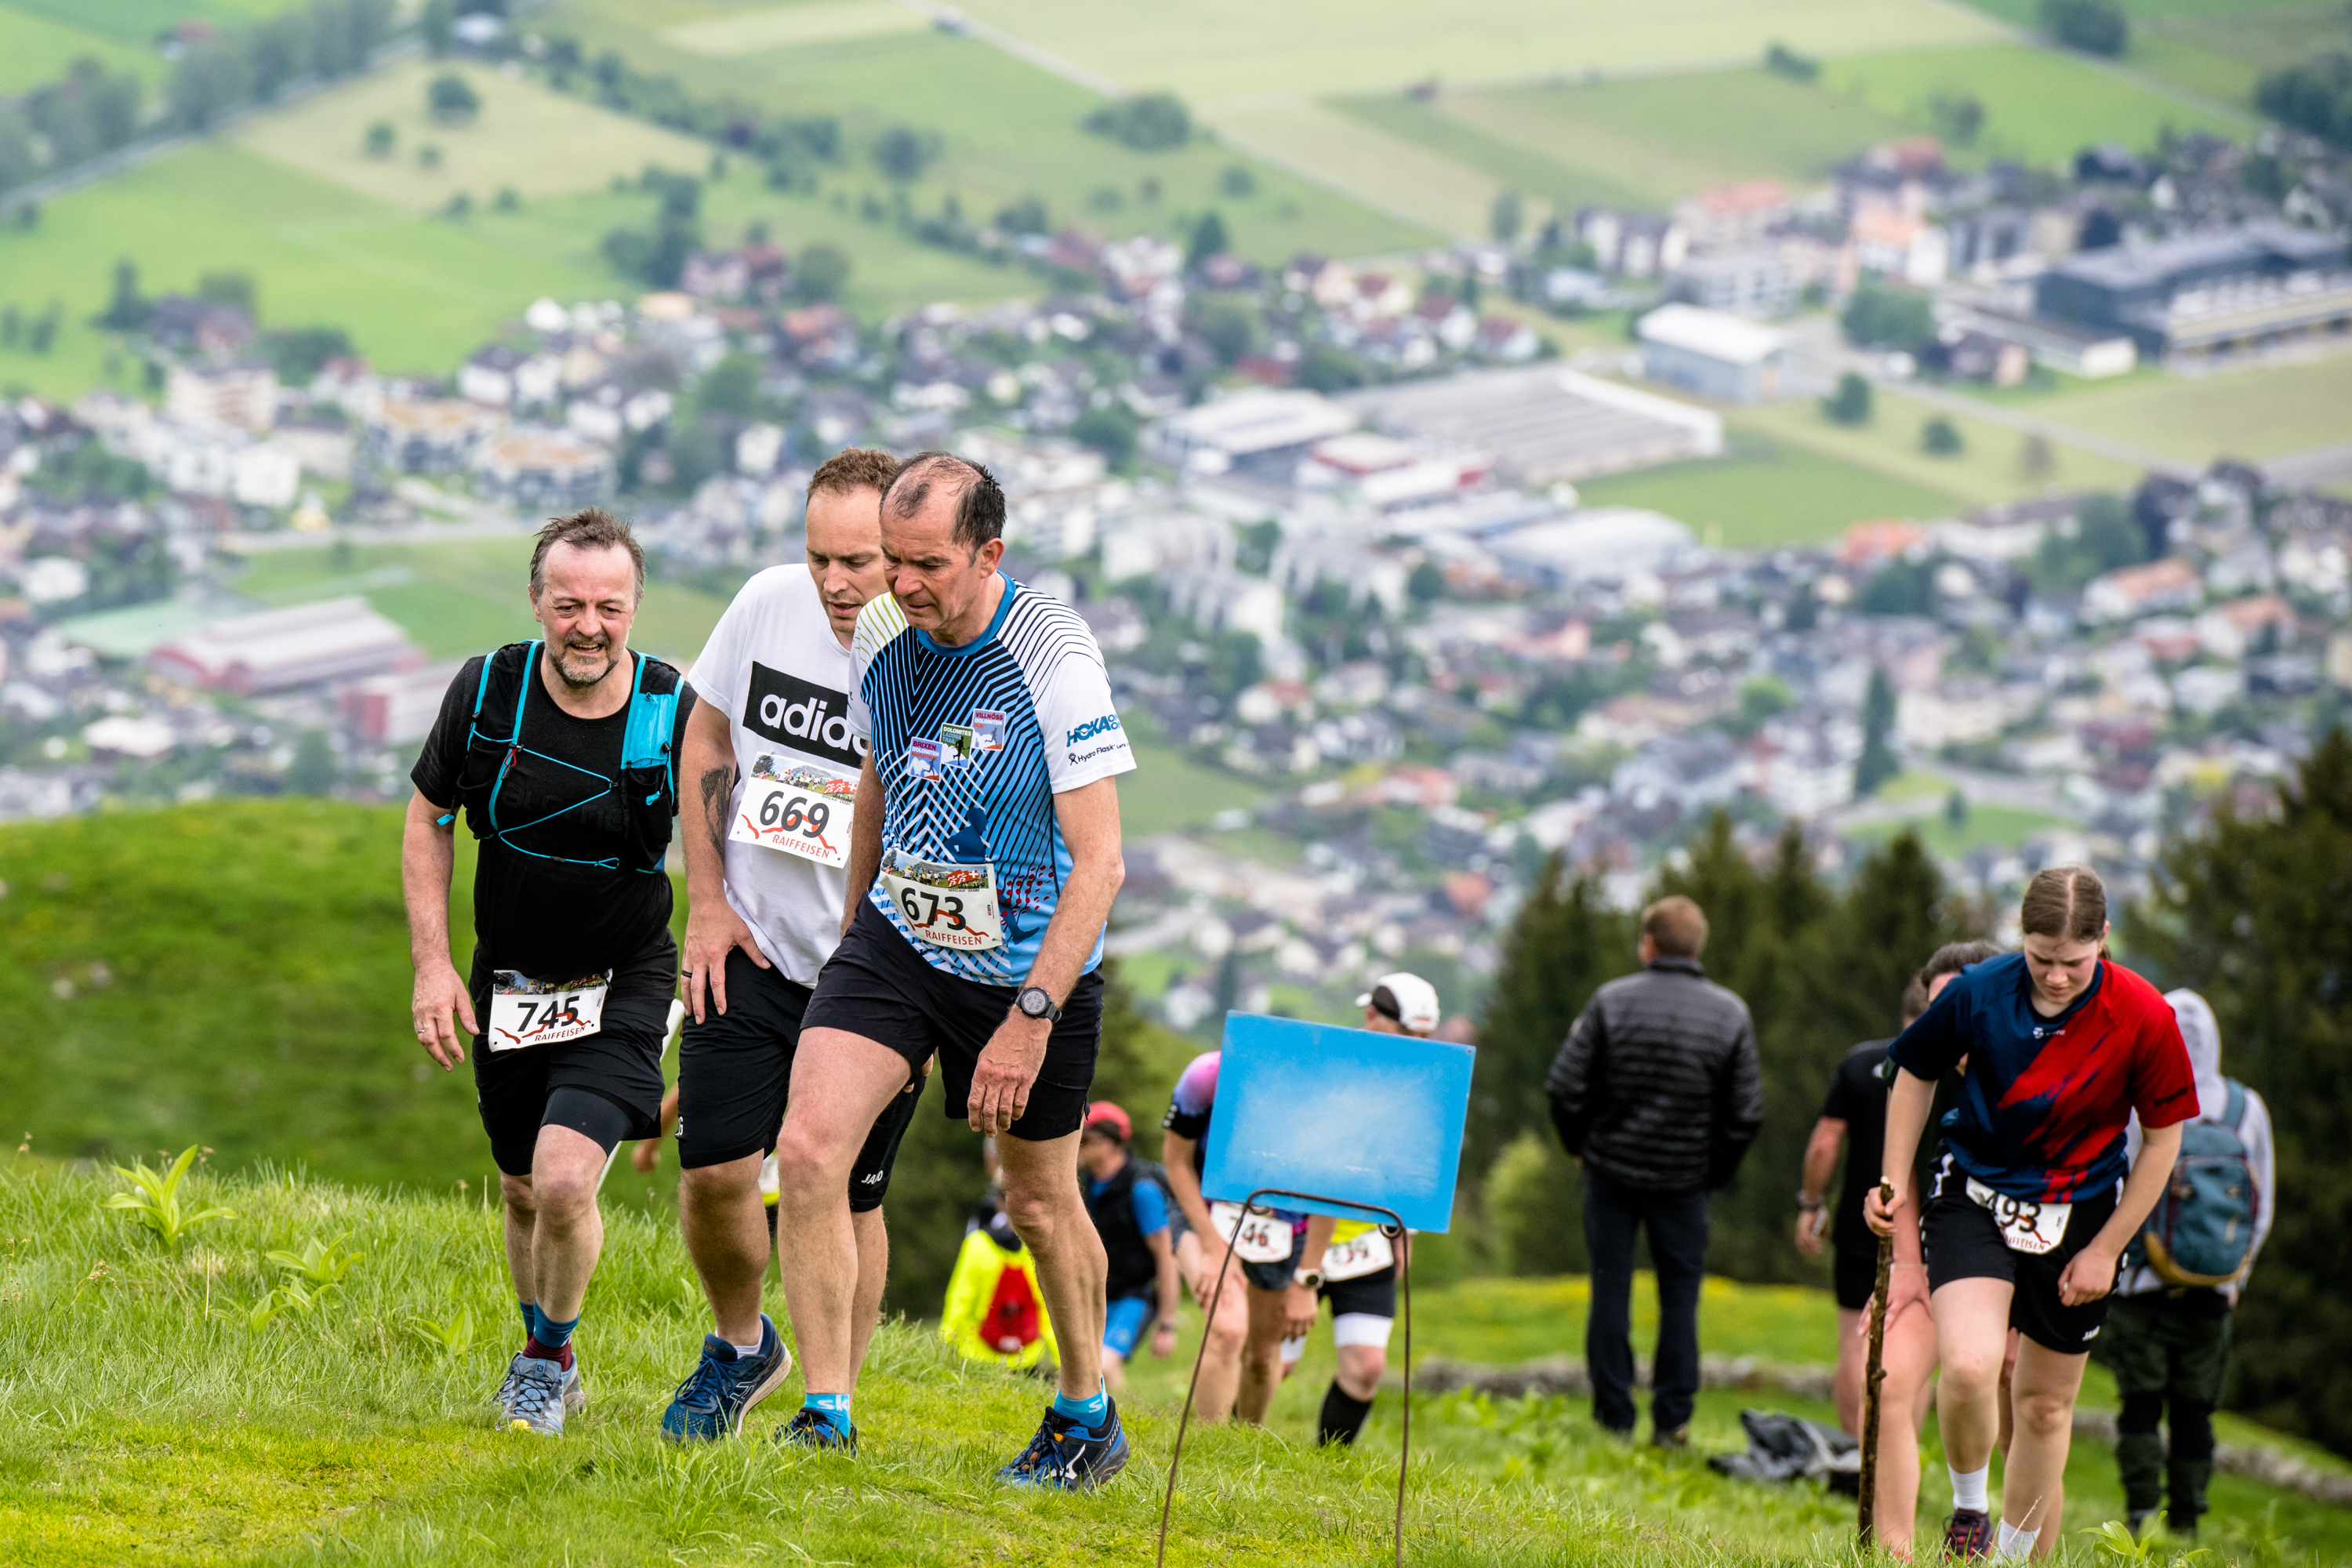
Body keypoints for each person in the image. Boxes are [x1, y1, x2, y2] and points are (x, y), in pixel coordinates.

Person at [771, 452, 1134, 1486]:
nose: (899, 582)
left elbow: (1103, 863)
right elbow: (879, 777)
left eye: (927, 563)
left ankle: (1085, 1413)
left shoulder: (1053, 656)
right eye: (892, 558)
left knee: (1038, 1202)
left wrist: (1030, 1018)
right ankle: (826, 1411)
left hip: (1026, 967)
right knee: (807, 1151)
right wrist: (853, 934)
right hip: (900, 935)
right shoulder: (881, 629)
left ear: (988, 555)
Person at [658, 448, 940, 1443]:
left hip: (874, 975)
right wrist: (707, 903)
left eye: (857, 561)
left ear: (901, 554)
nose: (833, 581)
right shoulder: (766, 603)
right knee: (714, 1171)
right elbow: (706, 739)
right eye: (819, 556)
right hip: (752, 943)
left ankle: (834, 1404)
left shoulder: (934, 656)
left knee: (849, 1191)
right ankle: (741, 1345)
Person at [404, 508, 692, 1438]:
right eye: (569, 605)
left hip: (626, 978)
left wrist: (723, 940)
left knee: (566, 1181)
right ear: (536, 602)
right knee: (524, 1188)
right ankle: (549, 1356)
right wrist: (432, 965)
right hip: (511, 981)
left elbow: (727, 835)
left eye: (610, 607)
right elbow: (428, 817)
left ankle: (541, 1361)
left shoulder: (669, 708)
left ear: (635, 607)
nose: (589, 627)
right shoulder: (488, 690)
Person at [1868, 867, 2198, 1563]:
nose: (2054, 976)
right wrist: (1892, 1180)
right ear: (2021, 937)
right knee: (1969, 1366)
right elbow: (1913, 1072)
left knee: (2044, 1406)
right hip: (1974, 1195)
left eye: (2073, 962)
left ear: (2103, 938)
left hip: (2082, 1216)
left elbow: (2163, 1140)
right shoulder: (1979, 992)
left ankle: (2015, 1559)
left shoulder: (2144, 1016)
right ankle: (1969, 1512)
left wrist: (2107, 1248)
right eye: (2041, 957)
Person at [1800, 939, 2001, 1557]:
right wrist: (1910, 1265)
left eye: (1960, 1002)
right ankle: (1892, 1553)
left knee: (2028, 1410)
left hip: (2017, 1258)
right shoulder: (1911, 1068)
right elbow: (1903, 1175)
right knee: (1883, 1379)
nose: (1951, 1017)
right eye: (1939, 1005)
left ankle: (2023, 1552)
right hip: (1927, 1247)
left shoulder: (2023, 1064)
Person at [1545, 895, 1762, 1448]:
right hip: (1686, 1182)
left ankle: (1613, 1416)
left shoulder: (1610, 1002)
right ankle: (1673, 1420)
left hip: (1610, 1174)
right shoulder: (1729, 1014)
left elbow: (1564, 1087)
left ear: (1648, 945)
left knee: (1610, 1290)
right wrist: (1712, 1171)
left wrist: (1580, 1147)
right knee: (1680, 1299)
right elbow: (1745, 1113)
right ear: (1698, 947)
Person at [2107, 989, 2274, 1541]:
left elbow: (2120, 1180)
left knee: (2140, 1402)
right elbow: (2262, 1202)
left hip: (2141, 1283)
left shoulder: (2140, 1096)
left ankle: (2140, 1515)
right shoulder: (2246, 1108)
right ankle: (2186, 1524)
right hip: (2214, 1287)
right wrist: (2237, 1276)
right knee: (2195, 1409)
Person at [1272, 972, 1440, 1445]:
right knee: (1274, 1364)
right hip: (1300, 1238)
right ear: (1371, 1016)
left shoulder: (1420, 1088)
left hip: (1366, 1246)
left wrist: (1406, 1236)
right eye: (1406, 1033)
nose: (1416, 1046)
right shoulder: (1331, 1073)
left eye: (1424, 1037)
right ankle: (1227, 1443)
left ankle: (1328, 1461)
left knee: (1367, 1367)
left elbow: (1414, 1169)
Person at [1162, 1049, 1338, 1428]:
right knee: (1227, 1330)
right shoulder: (1207, 1076)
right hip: (1205, 1210)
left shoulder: (1323, 1096)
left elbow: (1330, 1195)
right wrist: (1213, 1247)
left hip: (1284, 1227)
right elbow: (1176, 1162)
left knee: (1261, 1357)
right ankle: (1207, 1445)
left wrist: (1307, 1280)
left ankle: (1244, 1442)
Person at [1076, 1102, 1178, 1396]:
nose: (1077, 1148)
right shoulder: (1087, 1183)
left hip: (1134, 1296)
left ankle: (1121, 1418)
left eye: (1084, 1140)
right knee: (1082, 1370)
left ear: (1108, 1143)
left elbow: (1166, 1258)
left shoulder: (1142, 1189)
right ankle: (1104, 1417)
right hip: (1099, 1293)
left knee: (1103, 1367)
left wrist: (1167, 1324)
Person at [942, 1208, 1060, 1370]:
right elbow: (1047, 1309)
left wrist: (946, 1345)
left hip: (978, 1357)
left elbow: (960, 1300)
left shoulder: (977, 1244)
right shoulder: (1033, 1248)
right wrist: (1061, 1360)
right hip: (1025, 1359)